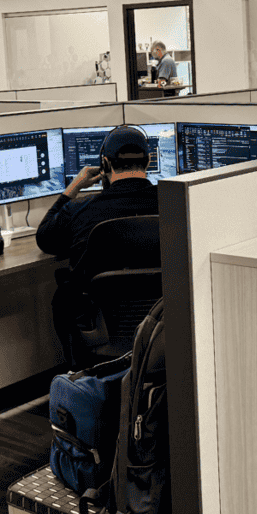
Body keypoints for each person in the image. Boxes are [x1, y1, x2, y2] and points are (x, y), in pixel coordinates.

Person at [36, 126, 159, 364]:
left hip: (102, 327)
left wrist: (72, 189)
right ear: (149, 160)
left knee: (64, 294)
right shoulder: (173, 202)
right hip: (161, 324)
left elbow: (45, 239)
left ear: (105, 164)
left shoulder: (80, 208)